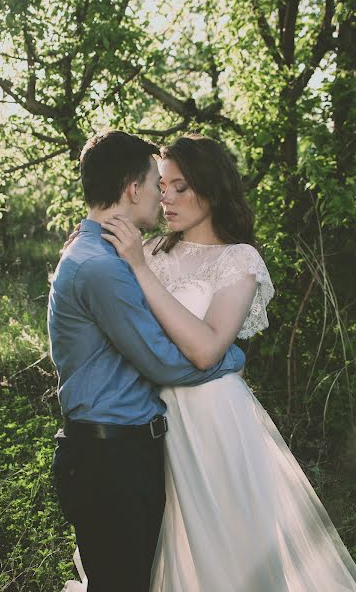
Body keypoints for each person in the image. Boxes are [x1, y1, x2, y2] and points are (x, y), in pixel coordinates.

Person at [98, 134, 356, 591]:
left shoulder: (238, 259)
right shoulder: (152, 248)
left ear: (211, 189)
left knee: (223, 554)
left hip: (212, 420)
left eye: (180, 186)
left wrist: (139, 269)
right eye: (163, 185)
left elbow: (206, 349)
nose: (166, 197)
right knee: (150, 549)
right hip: (146, 418)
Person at [47, 130, 246, 592]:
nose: (163, 195)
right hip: (110, 455)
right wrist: (230, 354)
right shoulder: (102, 265)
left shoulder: (108, 251)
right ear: (133, 189)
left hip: (139, 445)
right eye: (158, 183)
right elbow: (161, 360)